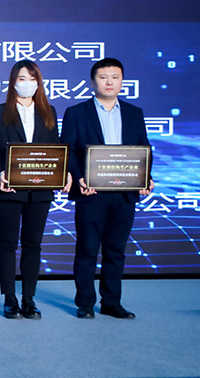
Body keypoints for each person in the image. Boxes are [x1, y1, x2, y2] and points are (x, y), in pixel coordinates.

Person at [60, 57, 153, 319]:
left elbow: (143, 149)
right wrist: (80, 177)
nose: (109, 82)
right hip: (91, 192)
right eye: (103, 77)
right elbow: (68, 151)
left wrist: (146, 177)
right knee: (88, 249)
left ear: (122, 81)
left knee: (116, 250)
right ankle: (85, 303)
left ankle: (112, 302)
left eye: (115, 77)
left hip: (124, 193)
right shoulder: (76, 112)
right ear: (93, 82)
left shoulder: (134, 113)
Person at [0, 60, 71, 319]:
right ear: (13, 82)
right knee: (8, 243)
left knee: (33, 244)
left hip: (40, 191)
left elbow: (55, 150)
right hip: (8, 189)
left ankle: (28, 298)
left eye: (32, 79)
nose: (27, 83)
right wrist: (1, 172)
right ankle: (10, 298)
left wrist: (63, 172)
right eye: (22, 78)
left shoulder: (49, 111)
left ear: (39, 83)